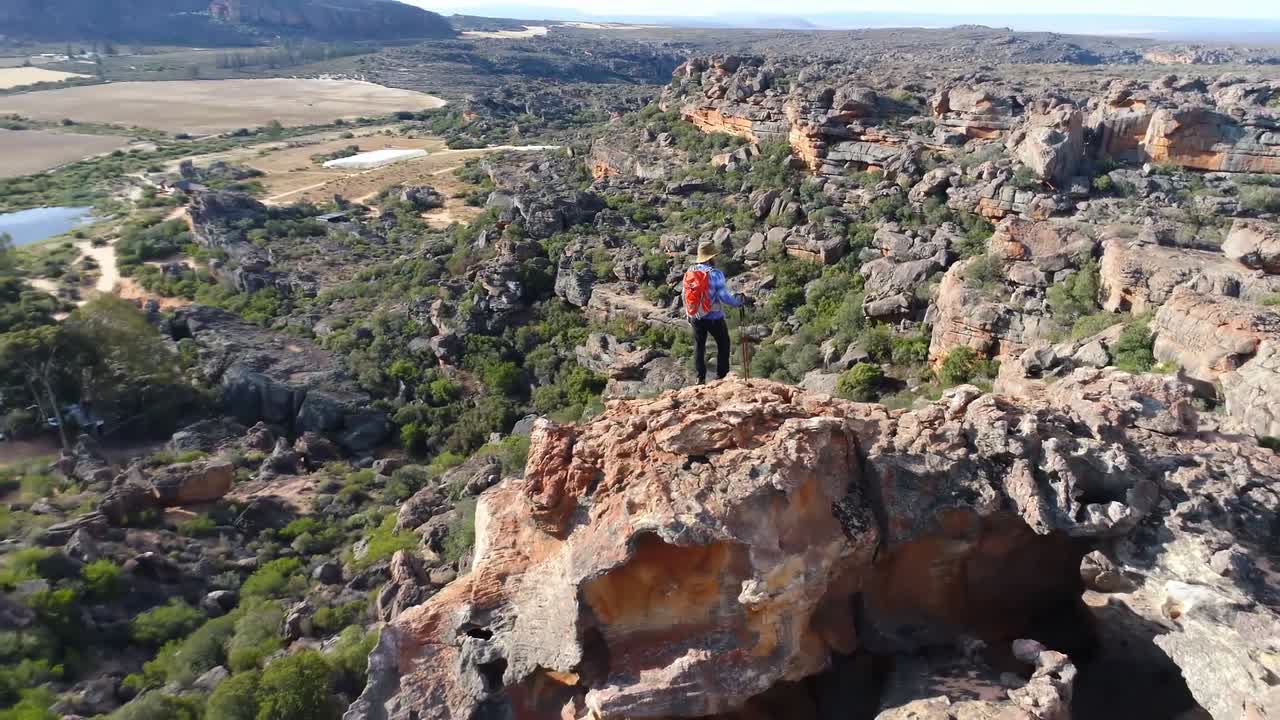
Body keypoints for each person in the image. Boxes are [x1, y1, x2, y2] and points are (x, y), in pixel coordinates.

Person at [683, 240, 748, 384]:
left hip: (696, 316)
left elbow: (684, 295)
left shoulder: (690, 272)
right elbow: (724, 296)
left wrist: (689, 314)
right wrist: (738, 303)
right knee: (723, 344)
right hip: (714, 317)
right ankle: (722, 377)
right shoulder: (715, 274)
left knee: (699, 346)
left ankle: (700, 379)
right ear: (710, 258)